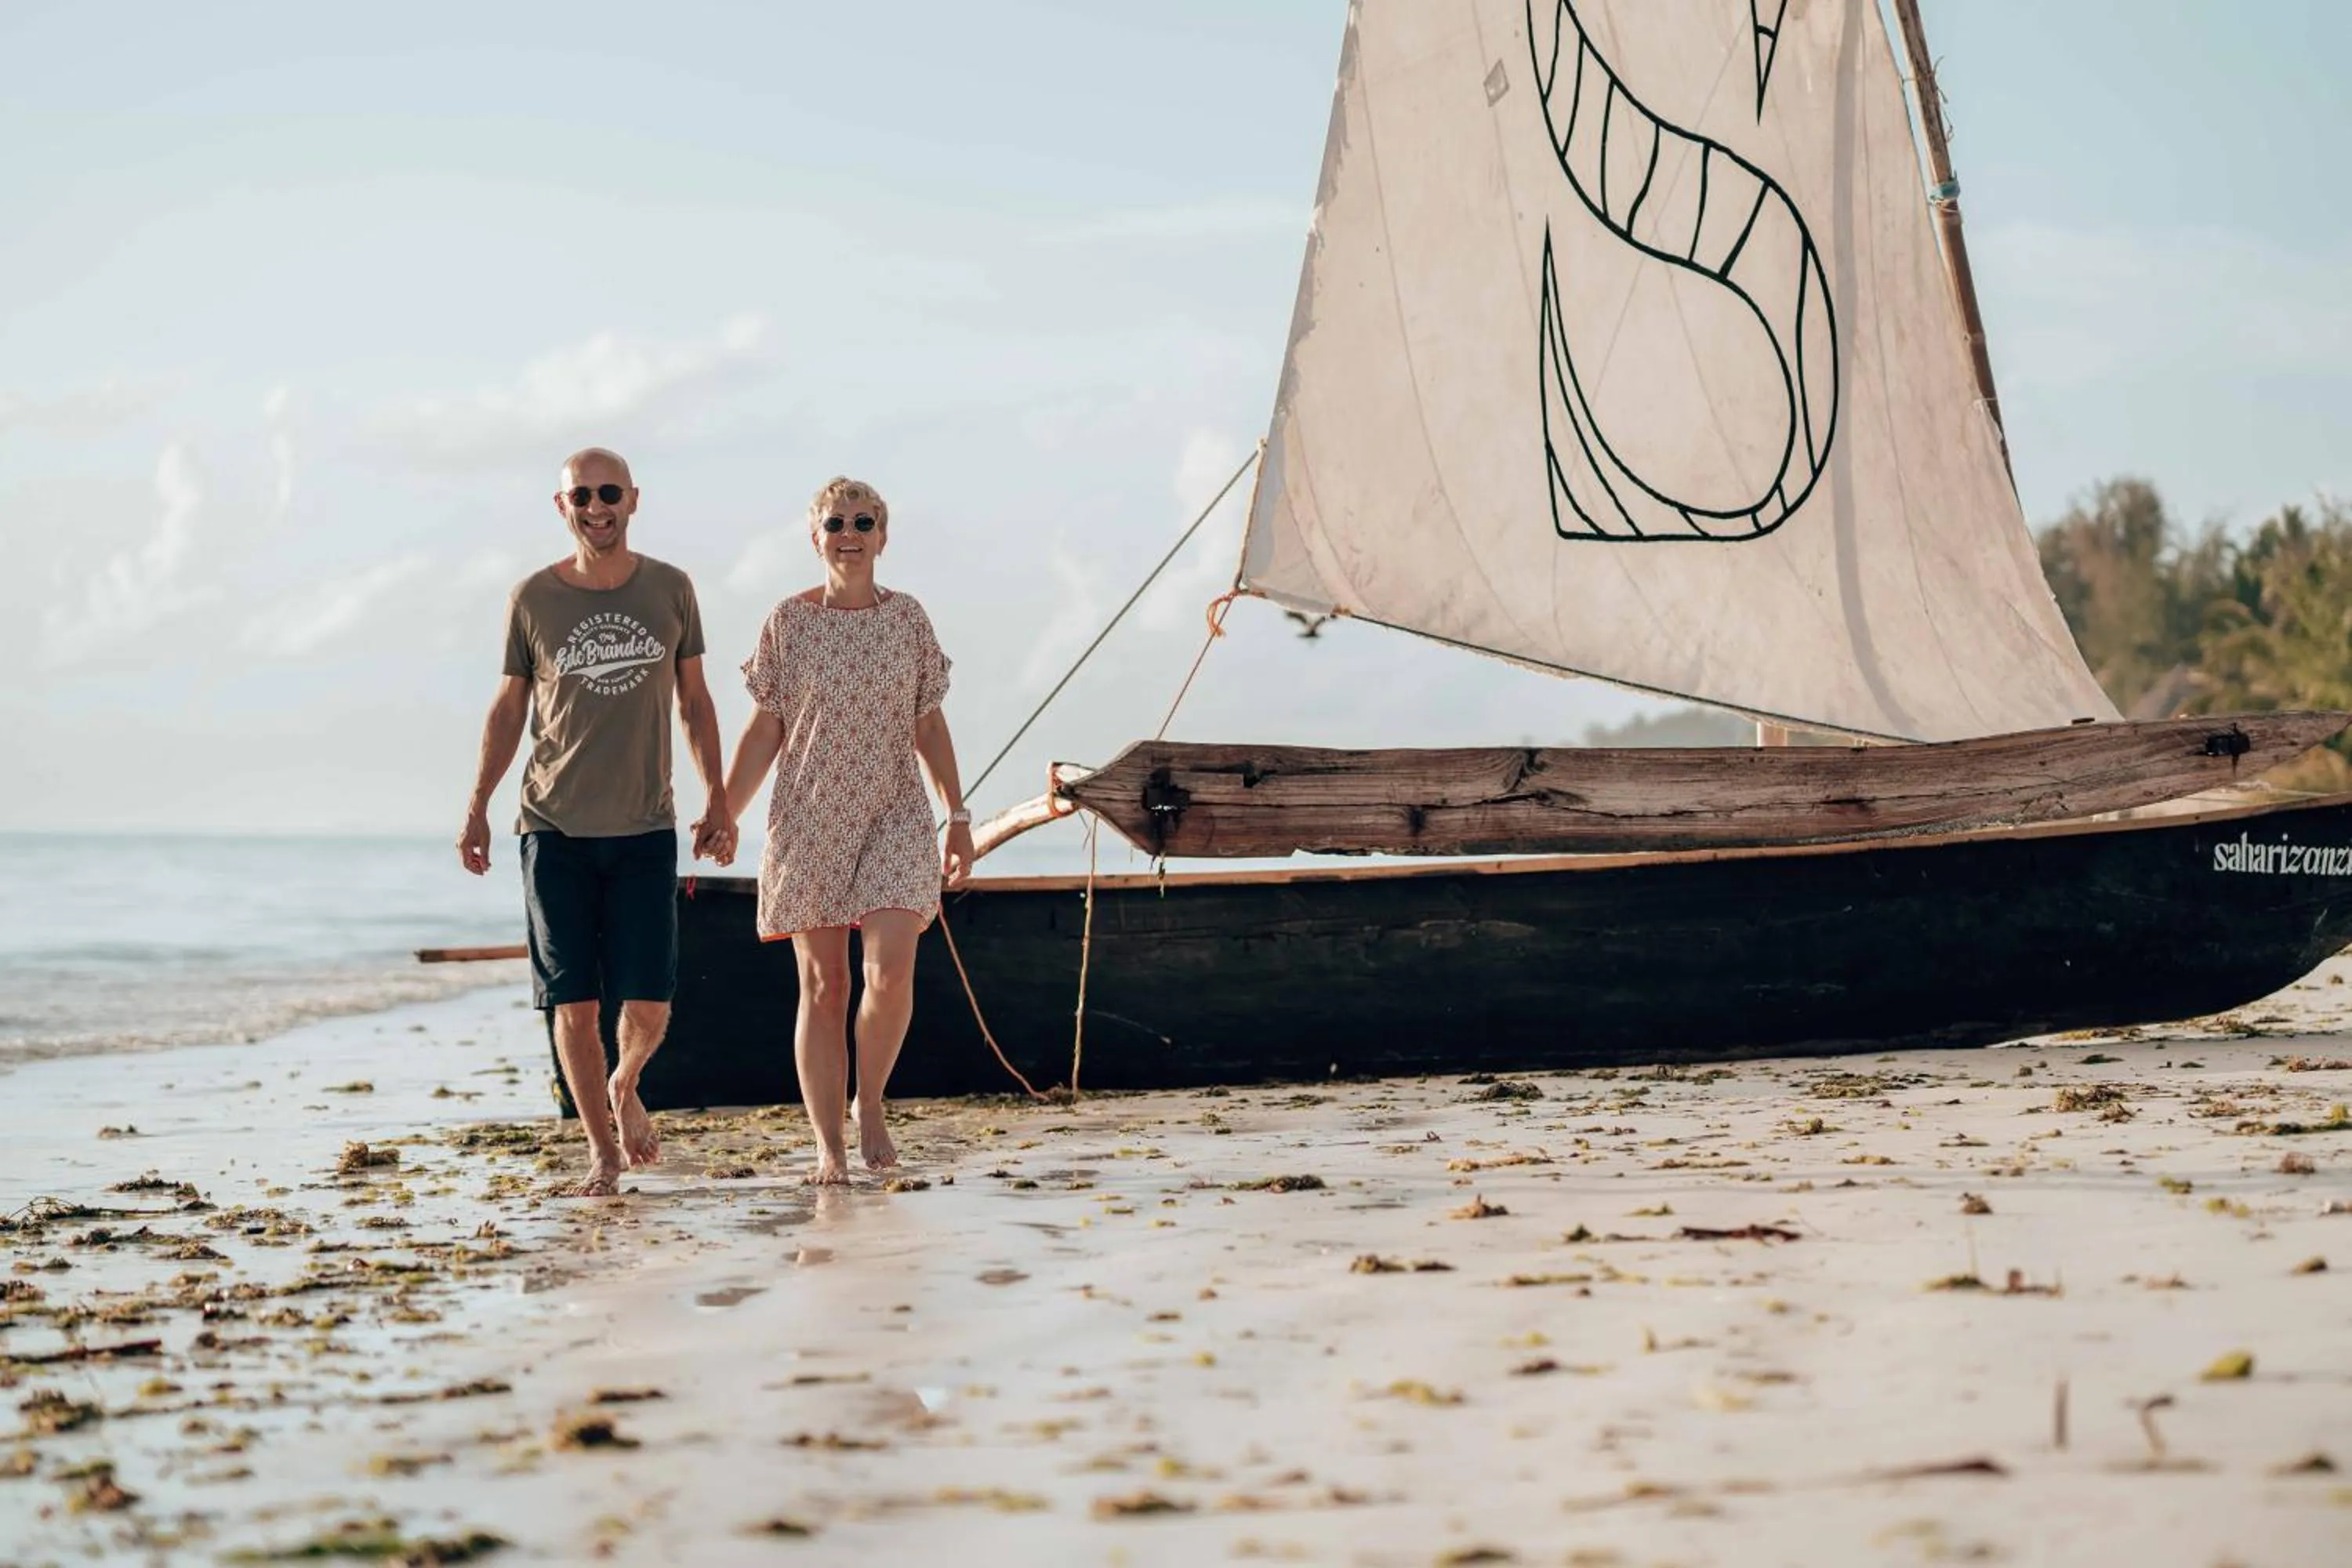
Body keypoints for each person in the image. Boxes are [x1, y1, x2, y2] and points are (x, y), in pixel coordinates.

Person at [457, 447, 733, 1198]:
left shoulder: (671, 588)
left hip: (645, 827)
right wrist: (479, 804)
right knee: (572, 1007)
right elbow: (509, 708)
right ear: (562, 507)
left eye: (608, 492)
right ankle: (602, 1155)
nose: (595, 506)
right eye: (580, 495)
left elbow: (696, 702)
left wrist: (719, 798)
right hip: (552, 829)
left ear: (634, 499)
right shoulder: (532, 598)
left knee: (648, 1003)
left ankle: (626, 1082)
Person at [712, 476, 974, 1185]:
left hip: (894, 813)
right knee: (825, 986)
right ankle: (828, 1145)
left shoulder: (909, 620)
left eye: (864, 521)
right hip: (809, 819)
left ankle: (872, 1103)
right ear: (816, 537)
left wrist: (958, 816)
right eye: (836, 523)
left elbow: (927, 721)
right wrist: (724, 812)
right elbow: (764, 730)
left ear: (883, 537)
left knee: (887, 975)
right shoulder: (786, 625)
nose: (849, 533)